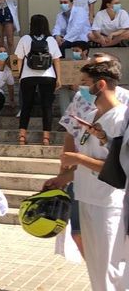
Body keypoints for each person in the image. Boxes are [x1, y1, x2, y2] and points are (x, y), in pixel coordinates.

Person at [44, 60, 127, 290]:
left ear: (100, 85)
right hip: (85, 197)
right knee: (96, 268)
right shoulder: (90, 117)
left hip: (108, 203)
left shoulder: (122, 119)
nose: (80, 88)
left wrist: (78, 159)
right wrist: (63, 179)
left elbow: (119, 167)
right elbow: (87, 157)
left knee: (110, 269)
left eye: (85, 83)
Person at [15, 14, 63, 146]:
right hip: (48, 75)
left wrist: (20, 75)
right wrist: (59, 78)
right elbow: (56, 60)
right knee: (47, 106)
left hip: (28, 76)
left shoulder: (25, 38)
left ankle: (22, 136)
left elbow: (19, 59)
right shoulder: (51, 40)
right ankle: (46, 138)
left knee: (26, 106)